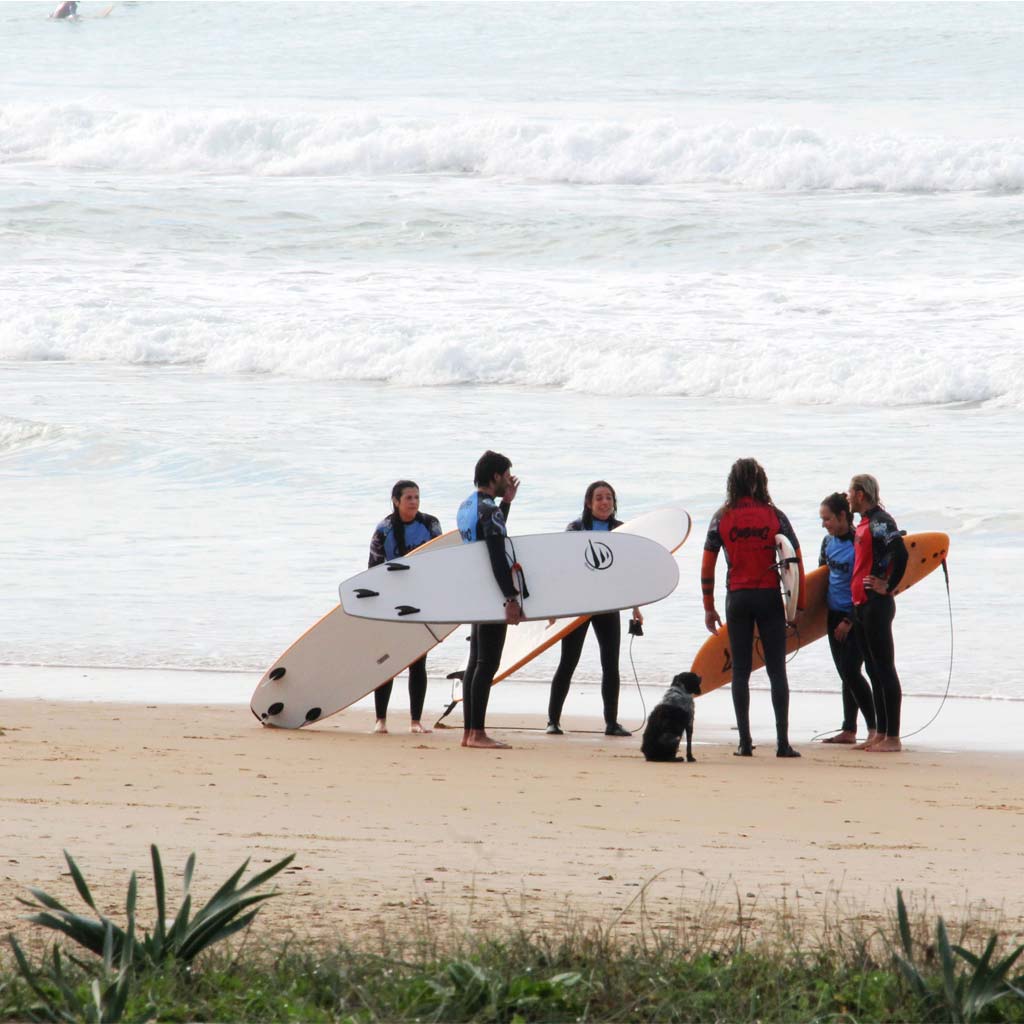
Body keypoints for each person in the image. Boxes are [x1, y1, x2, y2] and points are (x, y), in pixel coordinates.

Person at [701, 458, 805, 758]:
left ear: (732, 482)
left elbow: (707, 565)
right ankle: (782, 743)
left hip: (738, 599)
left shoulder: (721, 517)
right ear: (761, 481)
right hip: (768, 598)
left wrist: (708, 607)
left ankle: (744, 743)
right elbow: (795, 558)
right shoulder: (775, 515)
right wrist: (799, 604)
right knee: (776, 671)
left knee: (741, 672)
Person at [546, 481, 641, 737]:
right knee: (568, 661)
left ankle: (611, 722)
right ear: (589, 502)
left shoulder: (621, 531)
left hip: (607, 605)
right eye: (599, 498)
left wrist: (635, 607)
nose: (604, 502)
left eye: (609, 498)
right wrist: (554, 605)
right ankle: (552, 721)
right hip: (577, 605)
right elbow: (561, 568)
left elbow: (627, 573)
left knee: (611, 664)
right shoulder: (575, 529)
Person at [456, 450, 522, 750]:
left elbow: (488, 539)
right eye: (507, 475)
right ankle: (478, 734)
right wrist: (510, 596)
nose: (509, 479)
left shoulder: (468, 505)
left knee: (476, 662)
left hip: (476, 591)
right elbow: (496, 555)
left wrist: (505, 505)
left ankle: (469, 732)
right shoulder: (489, 510)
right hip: (493, 592)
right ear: (495, 476)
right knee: (488, 663)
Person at [367, 480, 442, 735]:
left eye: (417, 497)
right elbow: (373, 570)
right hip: (389, 601)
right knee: (386, 659)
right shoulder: (384, 529)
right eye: (409, 497)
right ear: (396, 501)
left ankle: (415, 721)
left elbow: (441, 563)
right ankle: (381, 720)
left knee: (417, 660)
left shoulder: (430, 524)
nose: (414, 501)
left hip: (420, 600)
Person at [847, 474, 908, 753]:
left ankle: (893, 737)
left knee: (884, 669)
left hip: (877, 604)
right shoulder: (863, 522)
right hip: (862, 604)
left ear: (860, 493)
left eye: (850, 492)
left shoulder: (880, 520)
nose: (848, 497)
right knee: (872, 669)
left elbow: (901, 552)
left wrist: (888, 585)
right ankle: (880, 733)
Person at [818, 492, 877, 745]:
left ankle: (875, 729)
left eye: (828, 518)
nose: (824, 524)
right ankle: (849, 730)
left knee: (852, 671)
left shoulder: (859, 542)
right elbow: (820, 579)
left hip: (855, 615)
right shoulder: (827, 543)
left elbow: (865, 585)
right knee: (845, 672)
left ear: (843, 516)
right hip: (833, 615)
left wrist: (849, 620)